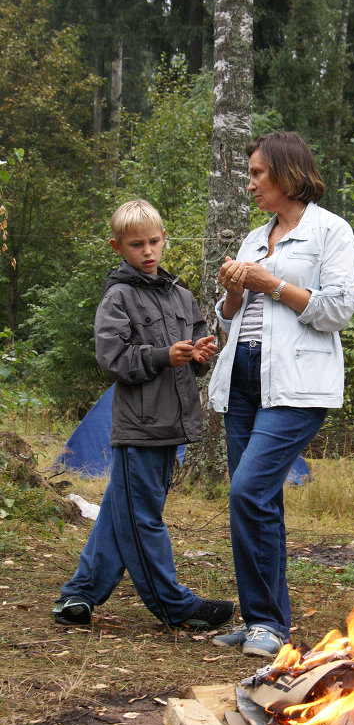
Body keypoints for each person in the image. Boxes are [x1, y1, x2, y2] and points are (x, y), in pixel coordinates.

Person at [208, 132, 354, 657]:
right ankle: (261, 623)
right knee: (257, 500)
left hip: (297, 385)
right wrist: (234, 288)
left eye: (256, 174)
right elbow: (227, 319)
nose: (249, 183)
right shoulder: (255, 236)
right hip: (244, 376)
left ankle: (269, 623)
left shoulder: (331, 232)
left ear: (288, 173)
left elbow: (339, 310)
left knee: (247, 491)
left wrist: (270, 283)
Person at [52, 199, 236, 630]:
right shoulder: (118, 297)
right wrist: (161, 356)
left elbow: (197, 352)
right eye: (137, 245)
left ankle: (77, 596)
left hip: (174, 423)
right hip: (139, 426)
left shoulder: (182, 296)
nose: (148, 251)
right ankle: (175, 604)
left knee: (123, 510)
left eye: (154, 242)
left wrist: (199, 353)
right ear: (119, 247)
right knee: (142, 519)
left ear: (164, 239)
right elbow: (112, 358)